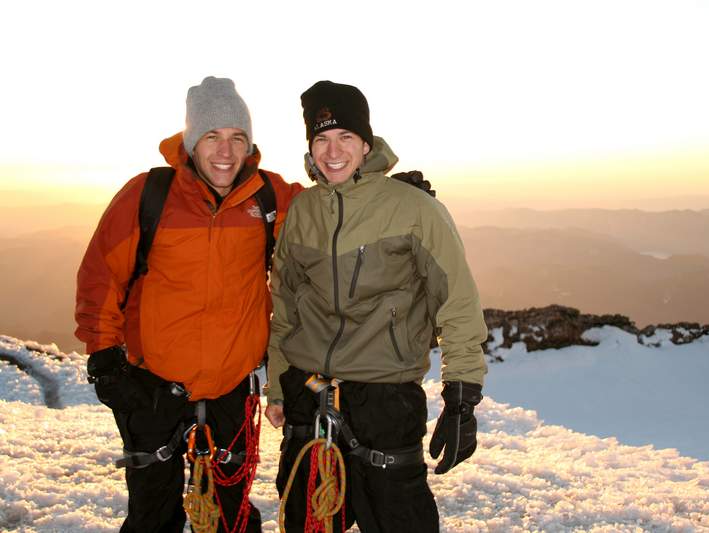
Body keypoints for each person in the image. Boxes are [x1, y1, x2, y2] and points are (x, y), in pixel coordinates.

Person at [75, 76, 303, 532]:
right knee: (153, 514)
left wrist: (391, 195)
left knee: (232, 513)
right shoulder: (148, 194)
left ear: (249, 144)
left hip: (232, 383)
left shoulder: (269, 196)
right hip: (152, 383)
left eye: (237, 138)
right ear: (191, 141)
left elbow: (333, 212)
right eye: (212, 137)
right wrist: (104, 359)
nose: (225, 151)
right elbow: (101, 276)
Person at [265, 80, 488, 533]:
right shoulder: (303, 212)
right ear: (310, 147)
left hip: (385, 399)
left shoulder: (413, 209)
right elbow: (285, 307)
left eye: (346, 137)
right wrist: (275, 388)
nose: (333, 151)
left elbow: (457, 301)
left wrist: (462, 395)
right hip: (308, 393)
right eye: (321, 139)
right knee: (306, 522)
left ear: (367, 144)